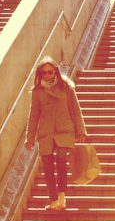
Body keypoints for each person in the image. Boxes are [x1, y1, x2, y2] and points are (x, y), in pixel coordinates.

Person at [24, 58, 88, 212]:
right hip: (46, 133)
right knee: (47, 166)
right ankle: (53, 200)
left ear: (56, 72)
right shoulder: (37, 92)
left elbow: (75, 109)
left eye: (50, 72)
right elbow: (33, 116)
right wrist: (30, 138)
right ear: (40, 74)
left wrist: (81, 131)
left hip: (64, 131)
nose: (47, 75)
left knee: (60, 158)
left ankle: (61, 196)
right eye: (44, 73)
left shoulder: (66, 87)